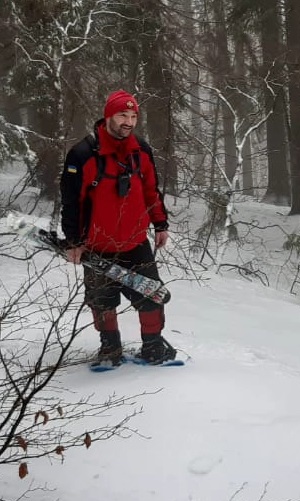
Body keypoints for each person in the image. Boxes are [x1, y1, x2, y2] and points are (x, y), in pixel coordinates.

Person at [60, 89, 176, 365]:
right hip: (97, 246)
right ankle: (110, 348)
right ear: (108, 116)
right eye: (122, 115)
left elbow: (151, 191)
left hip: (136, 243)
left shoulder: (141, 151)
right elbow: (71, 202)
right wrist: (74, 241)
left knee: (152, 296)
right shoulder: (83, 154)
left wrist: (160, 224)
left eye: (133, 116)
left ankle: (153, 346)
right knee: (102, 302)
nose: (129, 121)